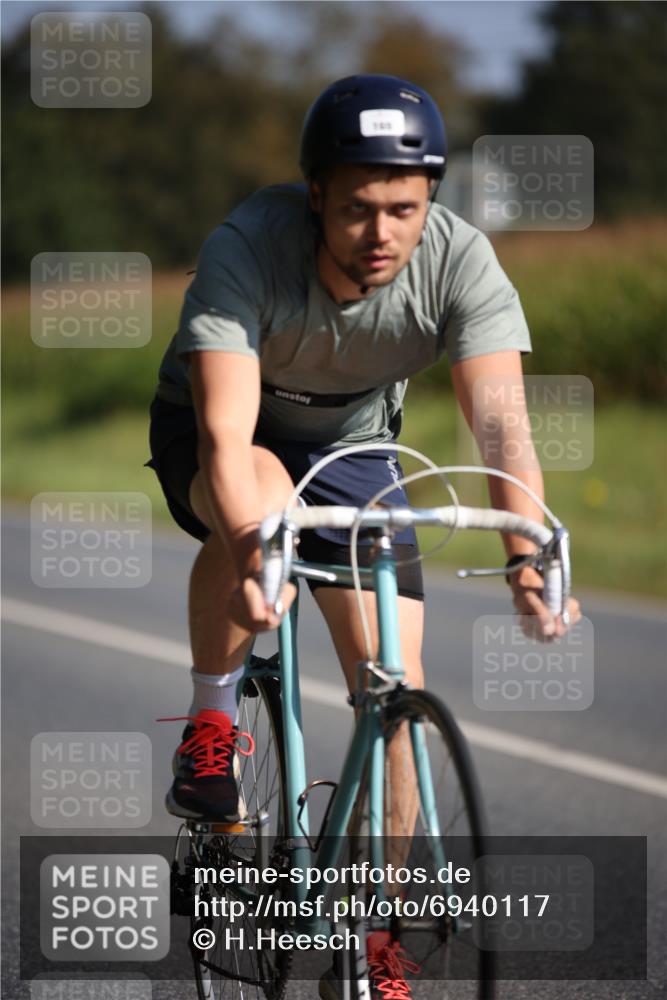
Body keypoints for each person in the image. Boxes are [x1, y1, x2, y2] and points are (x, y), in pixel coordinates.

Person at [147, 73, 580, 999]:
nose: (380, 234)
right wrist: (257, 557)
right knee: (259, 502)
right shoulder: (248, 248)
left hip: (353, 441)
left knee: (394, 685)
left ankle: (378, 933)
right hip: (232, 428)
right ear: (315, 196)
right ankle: (212, 725)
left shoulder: (460, 262)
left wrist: (524, 564)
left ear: (429, 200)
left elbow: (502, 433)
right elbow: (228, 437)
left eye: (402, 208)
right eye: (354, 210)